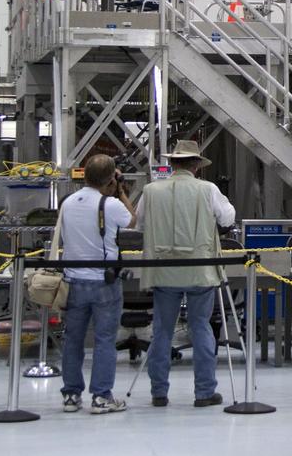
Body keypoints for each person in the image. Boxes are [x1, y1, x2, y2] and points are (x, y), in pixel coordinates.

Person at [135, 139, 236, 408]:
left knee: (162, 331)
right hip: (199, 271)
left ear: (171, 163)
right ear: (196, 166)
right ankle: (204, 392)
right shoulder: (208, 189)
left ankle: (159, 392)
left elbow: (140, 223)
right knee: (200, 327)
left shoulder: (150, 190)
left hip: (162, 271)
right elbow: (227, 219)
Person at [59, 154, 136, 414]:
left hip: (73, 280)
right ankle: (101, 396)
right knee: (104, 340)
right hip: (104, 282)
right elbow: (133, 221)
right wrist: (121, 191)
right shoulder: (111, 204)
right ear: (110, 178)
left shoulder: (68, 203)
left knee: (73, 340)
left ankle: (71, 395)